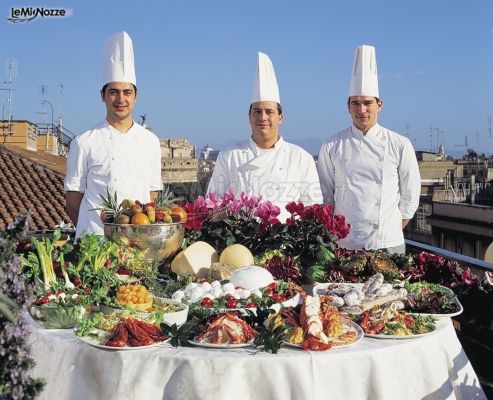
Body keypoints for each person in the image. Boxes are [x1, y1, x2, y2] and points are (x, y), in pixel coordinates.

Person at [317, 45, 420, 253]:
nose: (361, 110)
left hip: (388, 243)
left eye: (367, 103)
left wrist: (389, 229)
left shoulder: (399, 144)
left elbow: (410, 194)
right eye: (355, 103)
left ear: (379, 105)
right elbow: (325, 194)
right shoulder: (331, 145)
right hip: (345, 242)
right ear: (348, 107)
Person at [64, 31, 162, 238]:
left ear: (136, 96)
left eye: (127, 92)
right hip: (97, 244)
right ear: (103, 96)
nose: (120, 99)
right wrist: (90, 234)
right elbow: (73, 201)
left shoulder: (150, 142)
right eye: (113, 91)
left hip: (139, 244)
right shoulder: (83, 142)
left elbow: (152, 195)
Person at [207, 52, 322, 221]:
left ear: (280, 118)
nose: (263, 118)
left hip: (287, 245)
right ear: (249, 117)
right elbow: (213, 205)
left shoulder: (301, 158)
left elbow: (313, 209)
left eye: (269, 112)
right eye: (257, 111)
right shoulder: (229, 156)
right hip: (240, 244)